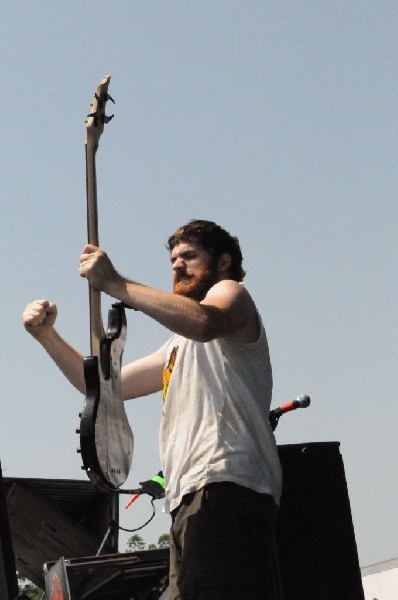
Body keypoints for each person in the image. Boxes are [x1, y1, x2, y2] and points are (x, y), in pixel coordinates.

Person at [22, 219, 282, 600]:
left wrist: (115, 284)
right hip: (189, 498)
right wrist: (46, 335)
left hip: (226, 488)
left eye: (190, 256)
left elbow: (204, 321)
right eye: (174, 258)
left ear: (223, 261)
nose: (177, 265)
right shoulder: (176, 345)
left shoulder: (232, 293)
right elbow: (101, 388)